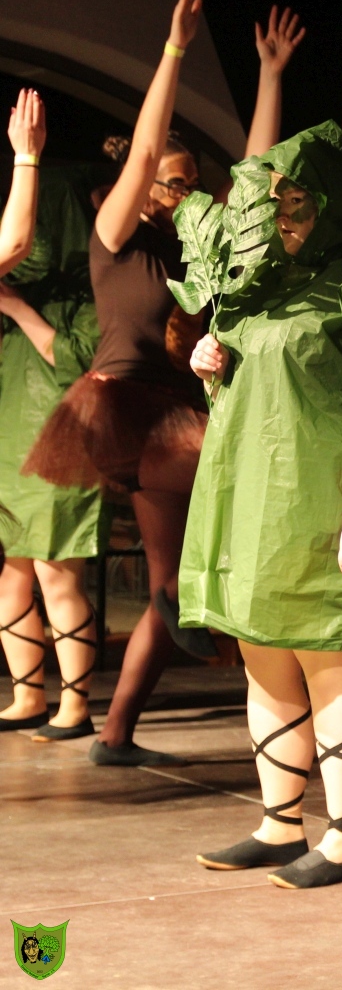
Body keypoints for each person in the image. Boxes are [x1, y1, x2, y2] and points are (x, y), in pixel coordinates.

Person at [23, 0, 305, 766]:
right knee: (239, 466)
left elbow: (252, 179)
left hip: (173, 411)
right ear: (144, 186)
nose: (183, 193)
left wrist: (269, 74)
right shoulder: (114, 237)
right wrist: (175, 51)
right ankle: (212, 606)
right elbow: (145, 151)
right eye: (173, 183)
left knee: (165, 588)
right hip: (126, 414)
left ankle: (117, 731)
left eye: (189, 184)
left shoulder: (192, 250)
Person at [185, 121, 342, 889]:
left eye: (300, 202)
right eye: (278, 203)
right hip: (249, 496)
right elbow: (252, 390)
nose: (286, 218)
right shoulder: (259, 284)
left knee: (329, 664)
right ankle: (279, 822)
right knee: (264, 663)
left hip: (325, 497)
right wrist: (210, 366)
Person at [0, 91, 104, 741]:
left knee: (54, 573)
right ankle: (27, 695)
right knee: (12, 572)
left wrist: (16, 308)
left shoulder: (90, 294)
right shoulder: (17, 282)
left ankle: (75, 703)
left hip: (61, 446)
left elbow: (75, 360)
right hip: (12, 443)